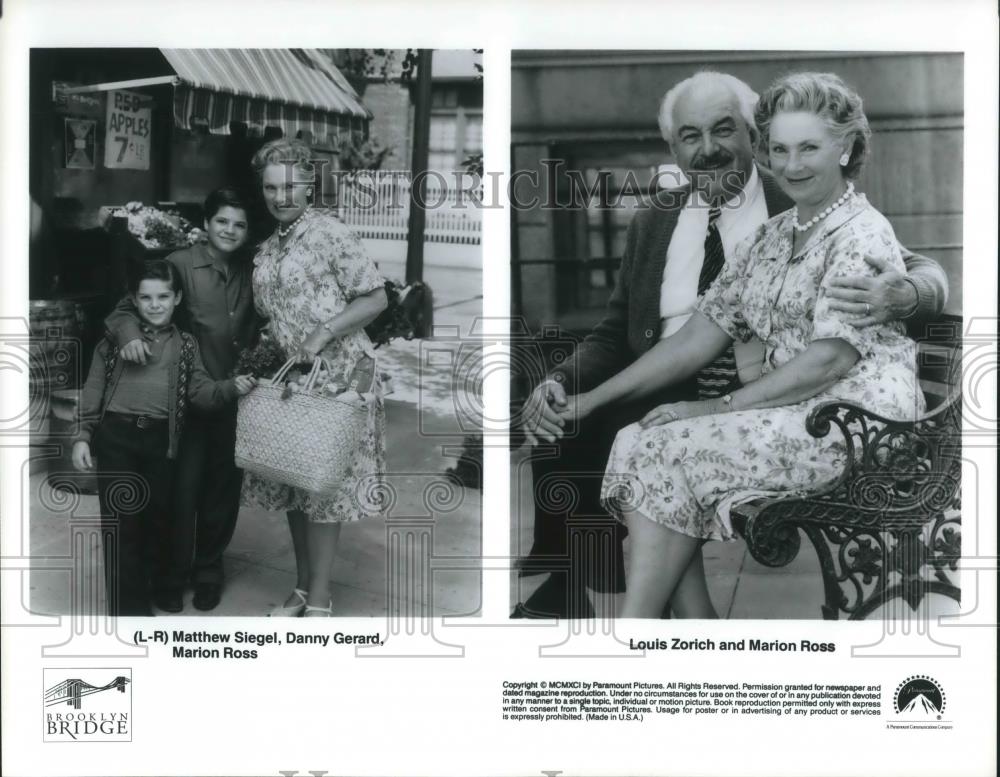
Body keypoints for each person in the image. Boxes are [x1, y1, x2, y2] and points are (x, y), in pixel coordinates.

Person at [514, 70, 948, 619]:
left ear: (845, 149)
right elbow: (699, 333)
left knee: (667, 445)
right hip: (786, 401)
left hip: (847, 418)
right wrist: (587, 399)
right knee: (635, 437)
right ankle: (687, 625)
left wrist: (910, 292)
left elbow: (833, 356)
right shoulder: (774, 234)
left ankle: (640, 629)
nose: (793, 165)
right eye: (783, 149)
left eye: (809, 148)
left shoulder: (858, 230)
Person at [242, 138, 389, 617]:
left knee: (323, 489)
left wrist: (320, 334)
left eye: (290, 186)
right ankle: (303, 590)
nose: (280, 196)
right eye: (270, 187)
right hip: (294, 378)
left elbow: (376, 298)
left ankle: (320, 601)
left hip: (340, 376)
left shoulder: (328, 233)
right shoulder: (269, 247)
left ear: (309, 186)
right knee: (294, 476)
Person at [73, 260, 256, 616]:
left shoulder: (186, 346)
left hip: (161, 443)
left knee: (159, 521)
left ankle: (161, 587)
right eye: (146, 297)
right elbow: (93, 388)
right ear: (134, 300)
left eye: (162, 296)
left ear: (177, 298)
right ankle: (129, 609)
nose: (154, 304)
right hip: (117, 439)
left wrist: (232, 387)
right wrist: (83, 435)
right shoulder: (115, 341)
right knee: (122, 525)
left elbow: (200, 391)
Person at [106, 188, 259, 613]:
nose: (230, 230)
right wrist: (131, 334)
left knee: (222, 493)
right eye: (223, 221)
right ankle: (170, 575)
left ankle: (209, 570)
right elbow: (124, 309)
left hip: (235, 396)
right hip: (185, 400)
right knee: (181, 491)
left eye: (240, 224)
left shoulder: (254, 268)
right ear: (207, 224)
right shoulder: (179, 263)